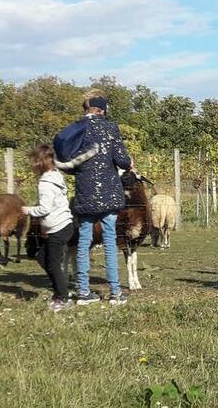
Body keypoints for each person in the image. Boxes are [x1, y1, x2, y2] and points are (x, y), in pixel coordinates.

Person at [72, 94, 133, 305]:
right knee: (109, 240)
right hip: (108, 192)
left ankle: (82, 292)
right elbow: (122, 161)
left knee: (84, 241)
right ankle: (115, 293)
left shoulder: (76, 128)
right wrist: (128, 161)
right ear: (103, 110)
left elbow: (70, 163)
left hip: (85, 192)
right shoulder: (110, 128)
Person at [22, 145, 75, 312]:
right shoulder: (56, 176)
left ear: (39, 163)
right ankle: (59, 291)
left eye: (33, 161)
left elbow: (45, 208)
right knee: (42, 259)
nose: (31, 165)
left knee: (52, 264)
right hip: (63, 225)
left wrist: (26, 210)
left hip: (59, 227)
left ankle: (63, 298)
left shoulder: (45, 183)